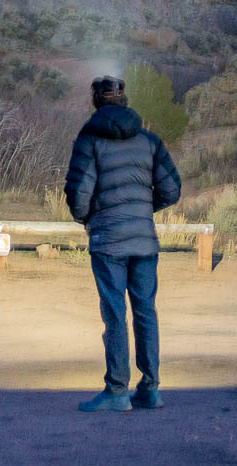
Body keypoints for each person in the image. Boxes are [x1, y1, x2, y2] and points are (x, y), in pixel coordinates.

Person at [63, 74, 181, 412]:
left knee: (115, 314)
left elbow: (79, 194)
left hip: (107, 240)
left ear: (96, 101)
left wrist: (90, 217)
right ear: (124, 100)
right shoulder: (149, 140)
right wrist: (142, 210)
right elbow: (171, 190)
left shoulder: (89, 140)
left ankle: (117, 391)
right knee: (146, 312)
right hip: (144, 241)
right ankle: (150, 390)